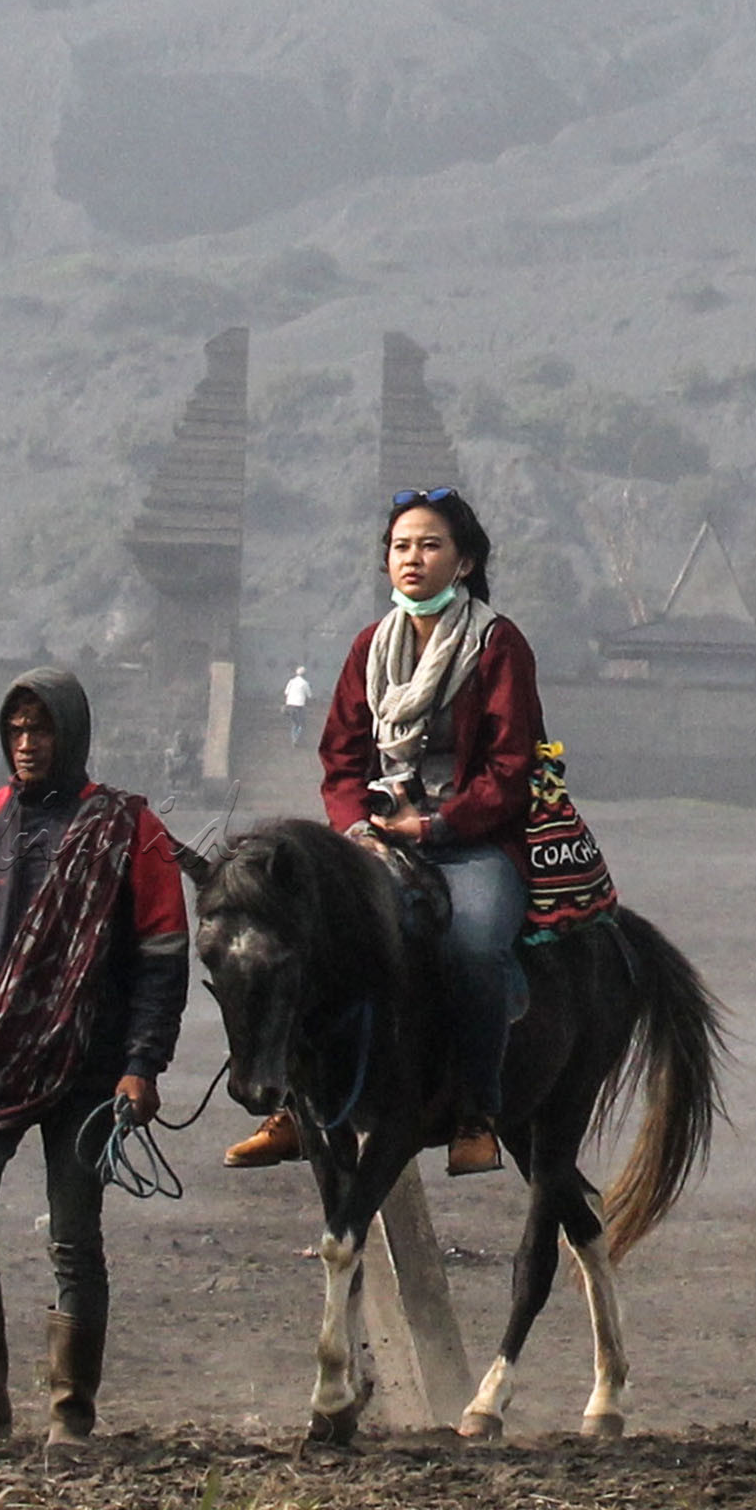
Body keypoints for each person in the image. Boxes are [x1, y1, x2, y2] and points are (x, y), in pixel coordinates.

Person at [225, 488, 541, 1178]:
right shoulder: (371, 646)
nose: (413, 559)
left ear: (464, 562)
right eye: (401, 547)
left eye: (430, 545)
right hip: (376, 834)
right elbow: (341, 757)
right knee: (301, 937)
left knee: (472, 945)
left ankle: (476, 1112)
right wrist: (355, 827)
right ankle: (299, 1105)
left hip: (474, 840)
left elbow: (511, 770)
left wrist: (432, 824)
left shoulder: (497, 645)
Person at [0, 668, 190, 1447]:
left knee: (75, 1235)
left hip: (89, 1066)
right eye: (17, 731)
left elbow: (160, 959)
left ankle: (72, 1411)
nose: (29, 744)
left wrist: (143, 1064)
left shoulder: (131, 831)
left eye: (42, 729)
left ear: (72, 734)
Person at [281, 664, 312, 747]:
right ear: (305, 674)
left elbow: (286, 692)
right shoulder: (305, 683)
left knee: (294, 724)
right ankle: (296, 739)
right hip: (299, 706)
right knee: (301, 724)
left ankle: (294, 738)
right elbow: (309, 695)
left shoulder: (291, 681)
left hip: (290, 706)